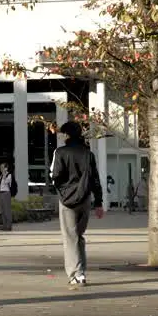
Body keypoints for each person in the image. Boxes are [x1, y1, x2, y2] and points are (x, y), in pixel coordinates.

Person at [51, 121, 104, 288]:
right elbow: (95, 179)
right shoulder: (88, 154)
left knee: (70, 237)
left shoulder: (60, 152)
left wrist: (62, 191)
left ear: (67, 135)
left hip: (67, 200)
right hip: (85, 199)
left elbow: (55, 175)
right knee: (79, 236)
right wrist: (99, 202)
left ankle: (76, 274)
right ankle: (81, 273)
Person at [0, 161, 17, 231]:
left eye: (2, 167)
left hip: (6, 193)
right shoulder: (0, 176)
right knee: (2, 210)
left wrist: (4, 174)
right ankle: (4, 225)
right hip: (1, 193)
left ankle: (9, 226)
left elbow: (6, 182)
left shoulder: (9, 175)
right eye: (0, 167)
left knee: (7, 210)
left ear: (6, 168)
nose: (1, 168)